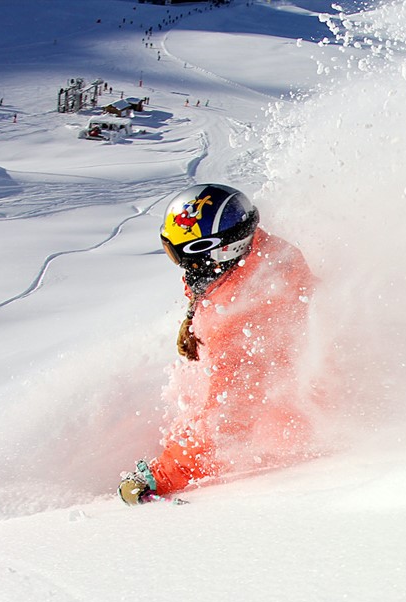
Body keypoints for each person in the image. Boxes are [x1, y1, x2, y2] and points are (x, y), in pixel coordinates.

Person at [118, 183, 316, 504]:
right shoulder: (258, 256)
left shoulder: (243, 320)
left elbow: (226, 420)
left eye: (185, 255)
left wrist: (159, 476)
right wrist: (193, 316)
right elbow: (205, 283)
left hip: (304, 424)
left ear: (216, 250)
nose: (184, 267)